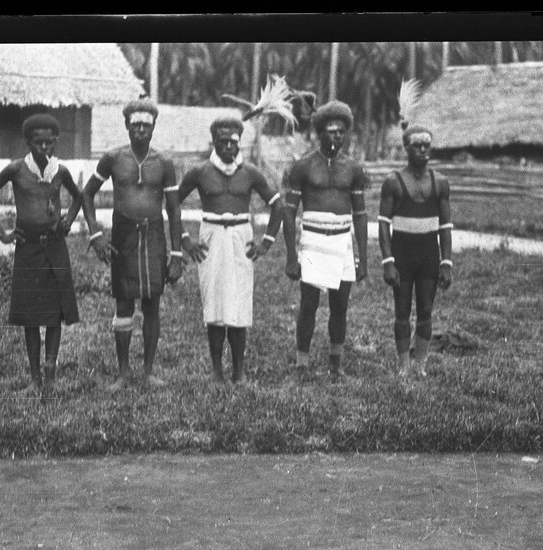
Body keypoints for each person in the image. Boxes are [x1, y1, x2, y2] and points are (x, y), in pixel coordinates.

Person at [0, 113, 82, 401]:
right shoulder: (15, 170)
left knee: (54, 315)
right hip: (28, 249)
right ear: (28, 142)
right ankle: (34, 380)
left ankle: (50, 378)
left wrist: (68, 220)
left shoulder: (61, 172)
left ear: (56, 141)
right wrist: (3, 233)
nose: (44, 148)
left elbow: (79, 197)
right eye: (38, 143)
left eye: (49, 142)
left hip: (55, 248)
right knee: (31, 317)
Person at [80, 97, 185, 389]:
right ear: (126, 125)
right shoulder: (113, 158)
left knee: (152, 304)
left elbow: (174, 209)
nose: (140, 130)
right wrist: (95, 233)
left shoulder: (164, 162)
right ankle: (124, 372)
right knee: (124, 302)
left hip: (153, 236)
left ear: (153, 128)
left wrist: (176, 253)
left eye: (146, 125)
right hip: (123, 235)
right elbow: (86, 194)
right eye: (135, 124)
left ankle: (148, 371)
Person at [177, 116, 284, 384]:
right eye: (222, 142)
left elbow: (277, 205)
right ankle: (216, 371)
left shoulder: (250, 172)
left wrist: (267, 242)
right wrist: (185, 241)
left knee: (238, 306)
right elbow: (170, 202)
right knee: (213, 306)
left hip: (240, 237)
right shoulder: (200, 171)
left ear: (240, 144)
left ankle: (238, 372)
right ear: (213, 142)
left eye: (233, 142)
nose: (227, 148)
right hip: (211, 236)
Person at [281, 100, 368, 381]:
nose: (337, 137)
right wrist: (292, 257)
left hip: (342, 241)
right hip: (314, 241)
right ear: (320, 132)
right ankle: (301, 364)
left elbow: (361, 214)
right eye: (331, 131)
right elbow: (289, 211)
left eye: (341, 132)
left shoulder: (353, 168)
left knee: (340, 306)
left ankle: (335, 365)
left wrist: (363, 257)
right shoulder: (303, 166)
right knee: (309, 304)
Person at [377, 124, 453, 377]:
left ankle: (420, 365)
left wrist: (446, 263)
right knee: (401, 311)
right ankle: (403, 366)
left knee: (426, 310)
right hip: (402, 256)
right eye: (417, 146)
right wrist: (388, 261)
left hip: (428, 256)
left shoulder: (440, 182)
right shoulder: (393, 182)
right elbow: (384, 224)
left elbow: (445, 225)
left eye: (426, 145)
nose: (422, 150)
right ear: (406, 149)